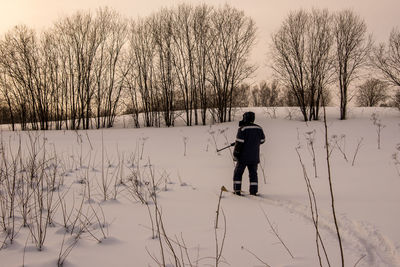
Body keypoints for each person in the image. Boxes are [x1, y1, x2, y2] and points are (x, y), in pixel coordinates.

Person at [232, 111, 265, 196]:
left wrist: (235, 155)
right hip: (254, 157)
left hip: (243, 157)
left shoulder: (242, 129)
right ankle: (253, 192)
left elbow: (239, 144)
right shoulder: (259, 128)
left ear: (245, 118)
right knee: (253, 174)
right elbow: (262, 140)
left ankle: (237, 190)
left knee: (238, 173)